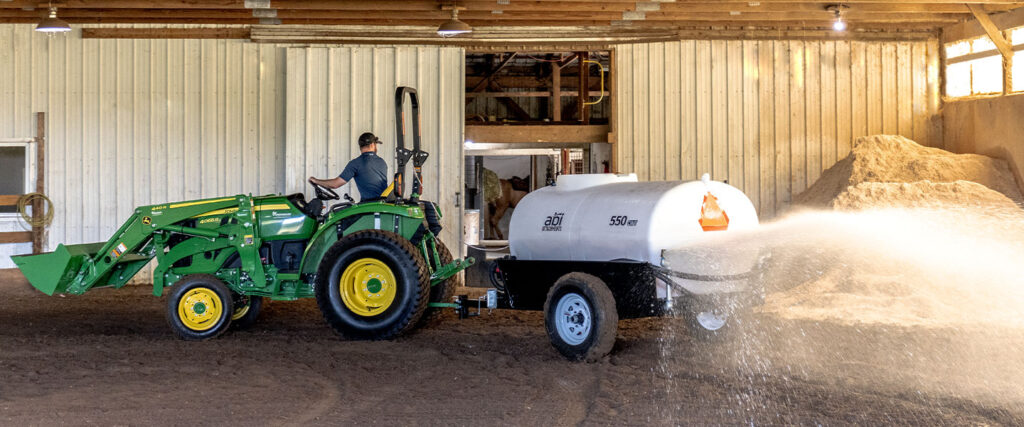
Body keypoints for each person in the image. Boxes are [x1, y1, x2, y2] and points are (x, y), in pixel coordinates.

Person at [308, 132, 389, 201]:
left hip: (369, 206)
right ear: (372, 145)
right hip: (382, 204)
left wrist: (316, 181)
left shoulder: (356, 163)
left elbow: (335, 184)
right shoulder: (382, 162)